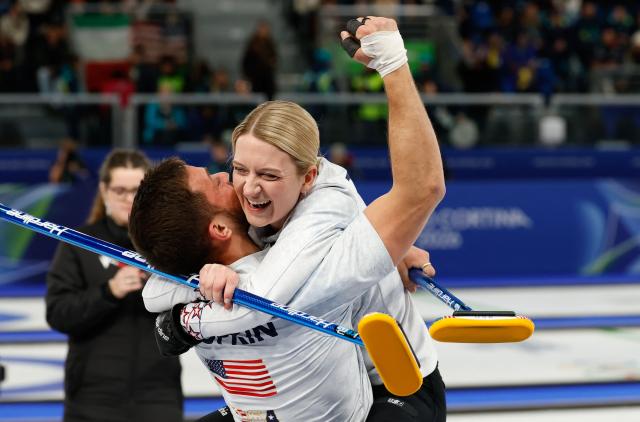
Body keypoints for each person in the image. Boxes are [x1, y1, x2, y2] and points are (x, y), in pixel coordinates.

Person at [130, 16, 445, 421]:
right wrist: (196, 294)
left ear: (309, 178)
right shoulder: (239, 230)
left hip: (393, 386)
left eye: (270, 175)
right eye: (238, 169)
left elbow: (421, 189)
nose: (246, 186)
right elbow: (159, 281)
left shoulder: (324, 235)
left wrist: (393, 64)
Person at [45, 149, 184, 422]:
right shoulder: (78, 242)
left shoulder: (170, 246)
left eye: (137, 190)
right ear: (104, 190)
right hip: (92, 399)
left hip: (158, 395)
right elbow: (58, 313)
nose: (129, 199)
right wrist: (108, 292)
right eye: (120, 190)